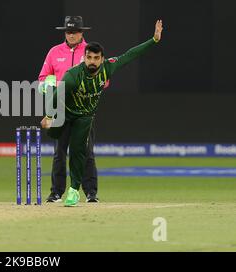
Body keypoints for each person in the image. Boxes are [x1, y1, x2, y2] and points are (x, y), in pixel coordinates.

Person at [41, 20, 163, 207]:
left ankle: (75, 191)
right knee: (59, 150)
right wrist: (49, 116)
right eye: (89, 58)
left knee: (80, 153)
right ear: (85, 58)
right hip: (65, 113)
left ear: (102, 59)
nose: (92, 62)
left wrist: (154, 40)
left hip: (85, 116)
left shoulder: (108, 67)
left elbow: (131, 55)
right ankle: (56, 192)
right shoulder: (73, 75)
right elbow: (57, 95)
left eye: (96, 58)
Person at [38, 16, 99, 203]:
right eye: (68, 32)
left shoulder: (91, 52)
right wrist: (47, 86)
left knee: (85, 152)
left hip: (83, 109)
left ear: (82, 32)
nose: (71, 35)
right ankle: (56, 192)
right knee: (59, 152)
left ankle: (90, 193)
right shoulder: (55, 52)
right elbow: (43, 77)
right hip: (60, 109)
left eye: (75, 32)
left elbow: (103, 77)